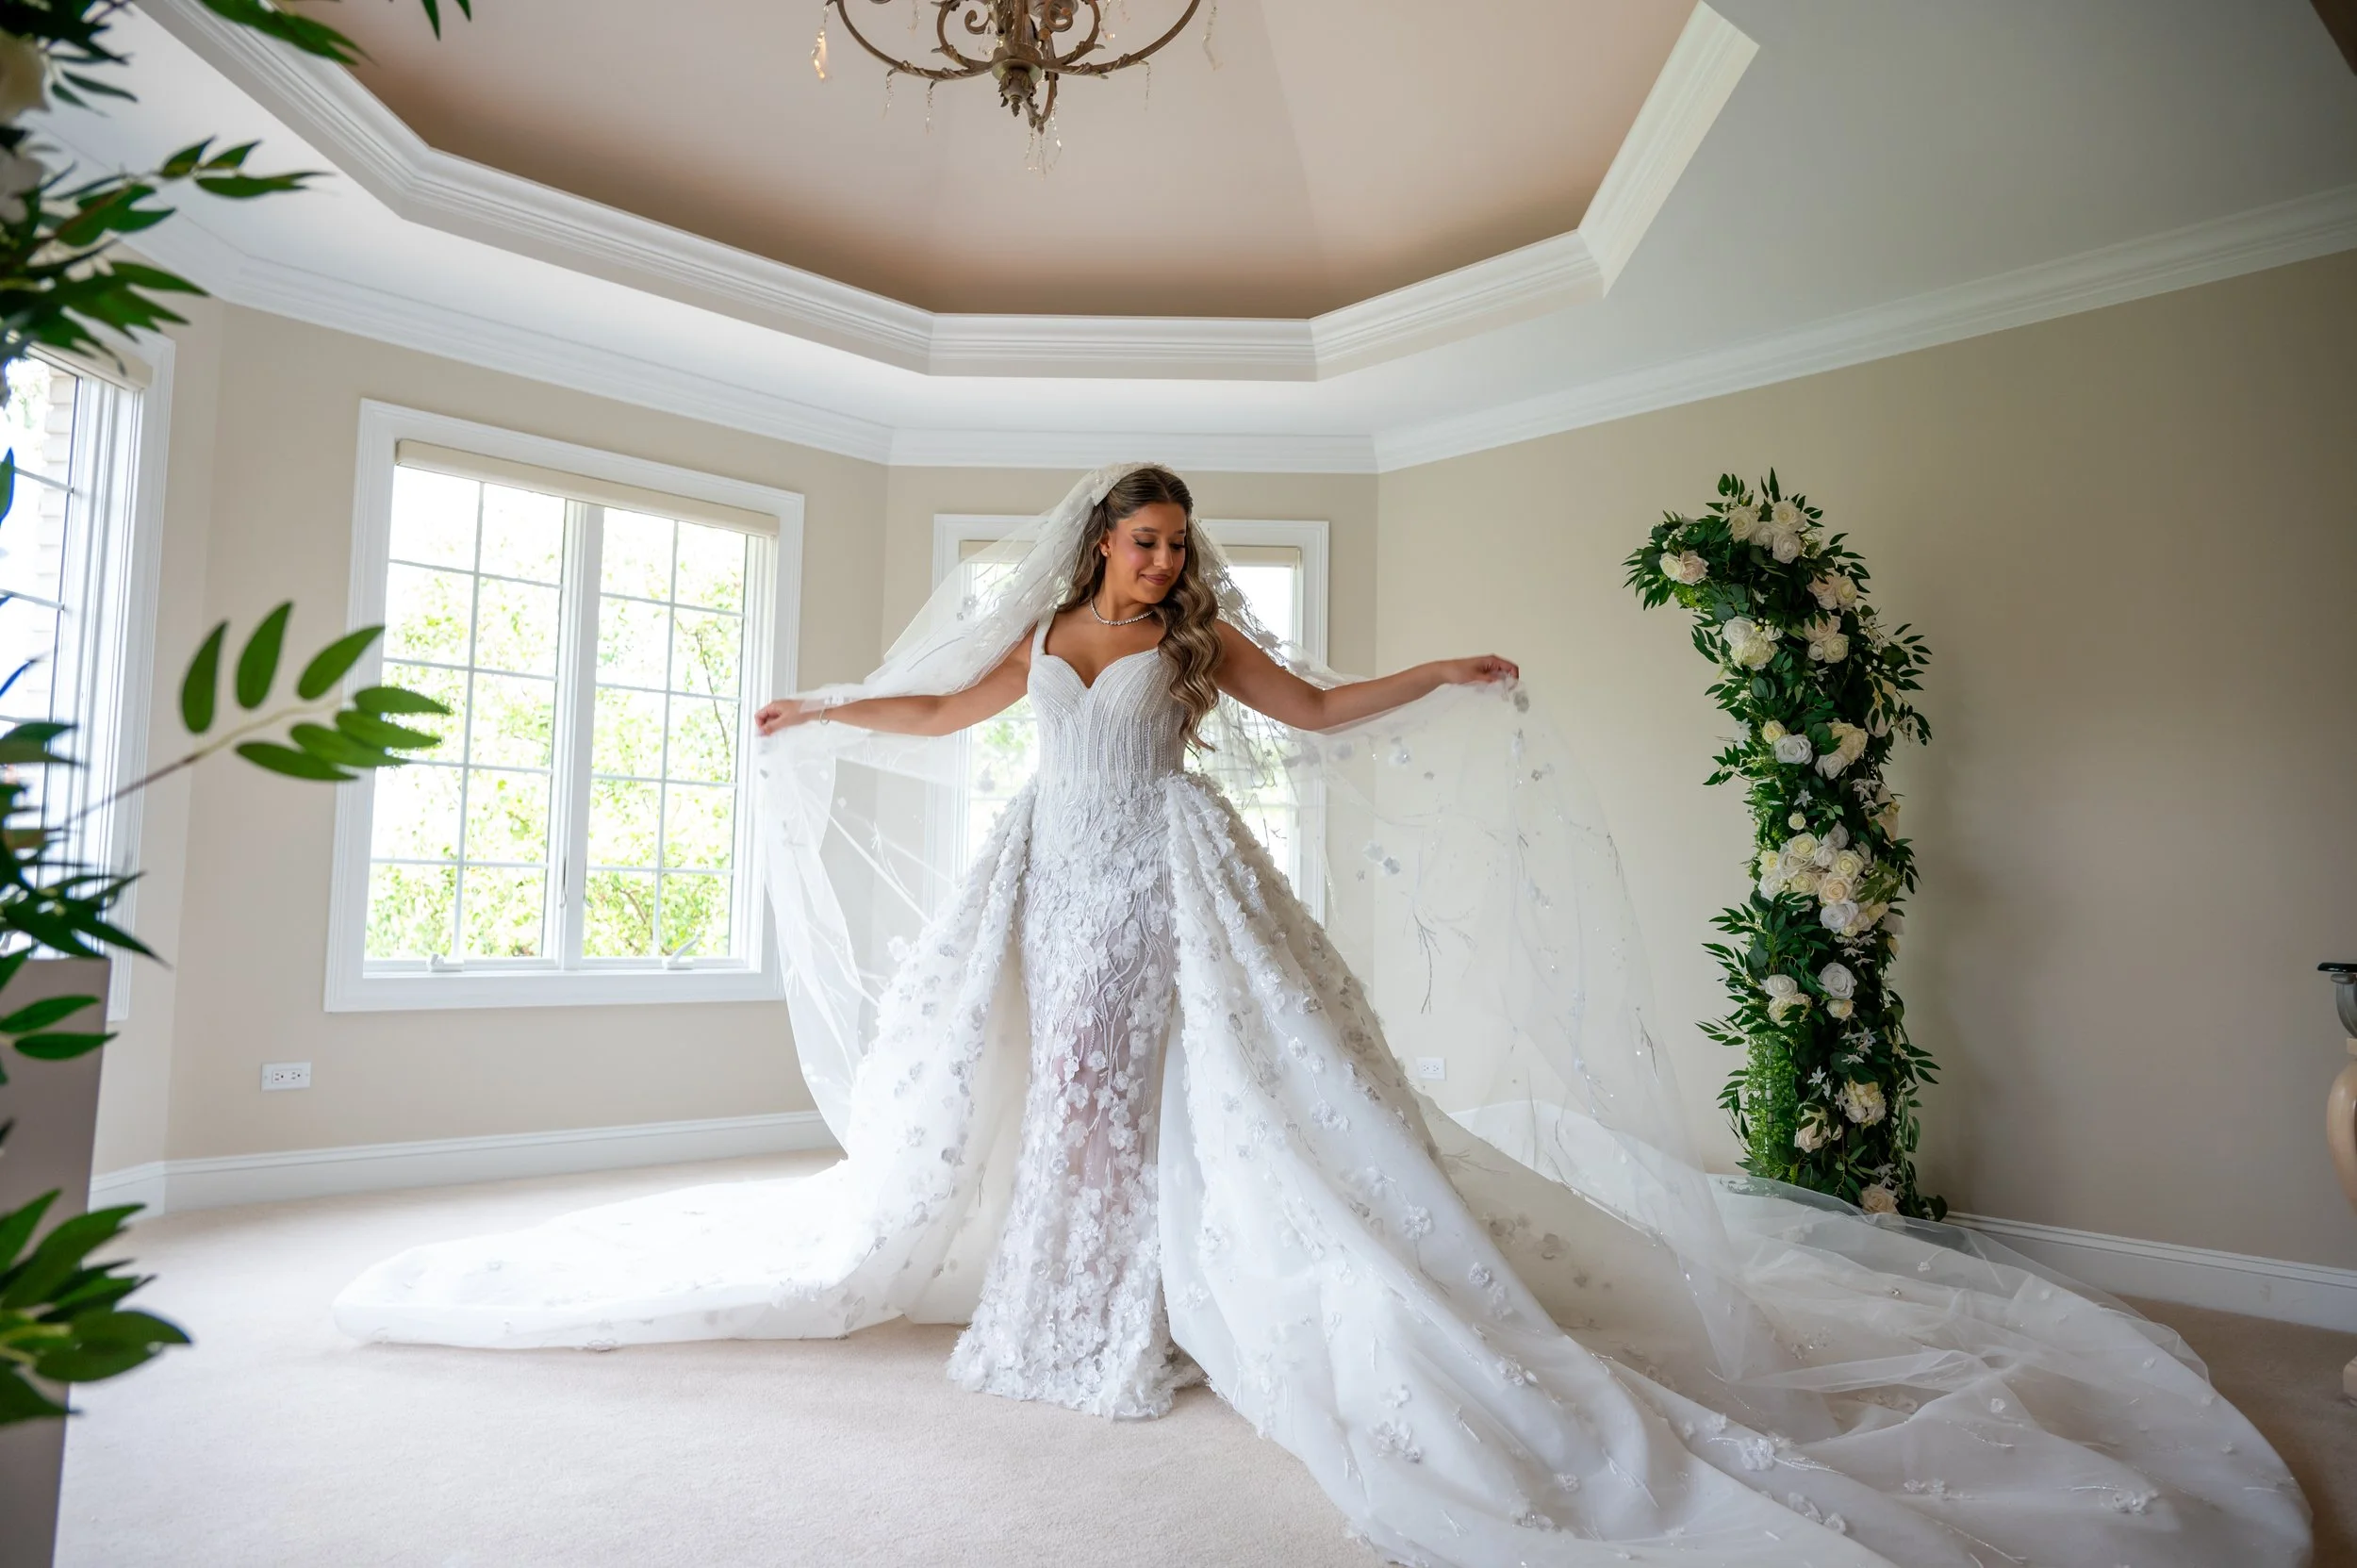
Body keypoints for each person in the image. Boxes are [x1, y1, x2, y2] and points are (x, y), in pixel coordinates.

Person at [337, 465, 2309, 1567]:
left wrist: (1439, 668)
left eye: (1175, 547)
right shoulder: (1044, 637)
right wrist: (816, 709)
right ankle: (1071, 1290)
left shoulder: (1201, 653)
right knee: (1054, 1094)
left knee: (1149, 1100)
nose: (1160, 560)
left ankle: (1121, 1315)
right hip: (1046, 874)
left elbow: (1319, 714)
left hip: (1162, 891)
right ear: (1098, 536)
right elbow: (946, 720)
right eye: (1144, 538)